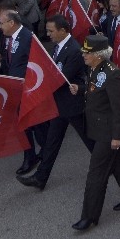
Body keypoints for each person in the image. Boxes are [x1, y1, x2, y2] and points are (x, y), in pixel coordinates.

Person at [17, 15, 96, 190]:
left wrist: (37, 84)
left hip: (74, 106)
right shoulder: (58, 47)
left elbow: (60, 78)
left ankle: (112, 165)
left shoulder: (74, 50)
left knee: (90, 140)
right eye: (47, 31)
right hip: (60, 105)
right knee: (52, 142)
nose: (48, 34)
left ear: (63, 31)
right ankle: (40, 178)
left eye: (51, 31)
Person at [72, 35, 120, 232]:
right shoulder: (94, 67)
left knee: (96, 174)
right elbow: (95, 90)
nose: (83, 55)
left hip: (108, 131)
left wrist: (117, 137)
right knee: (119, 163)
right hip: (98, 127)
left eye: (87, 52)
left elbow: (119, 108)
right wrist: (81, 89)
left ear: (98, 55)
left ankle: (89, 216)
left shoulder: (113, 74)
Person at [0, 9, 43, 176]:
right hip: (14, 87)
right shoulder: (9, 38)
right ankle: (30, 155)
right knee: (23, 124)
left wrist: (28, 81)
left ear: (11, 23)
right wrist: (0, 64)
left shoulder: (28, 37)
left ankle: (44, 151)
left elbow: (38, 63)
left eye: (1, 23)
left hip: (27, 89)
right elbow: (12, 61)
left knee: (36, 124)